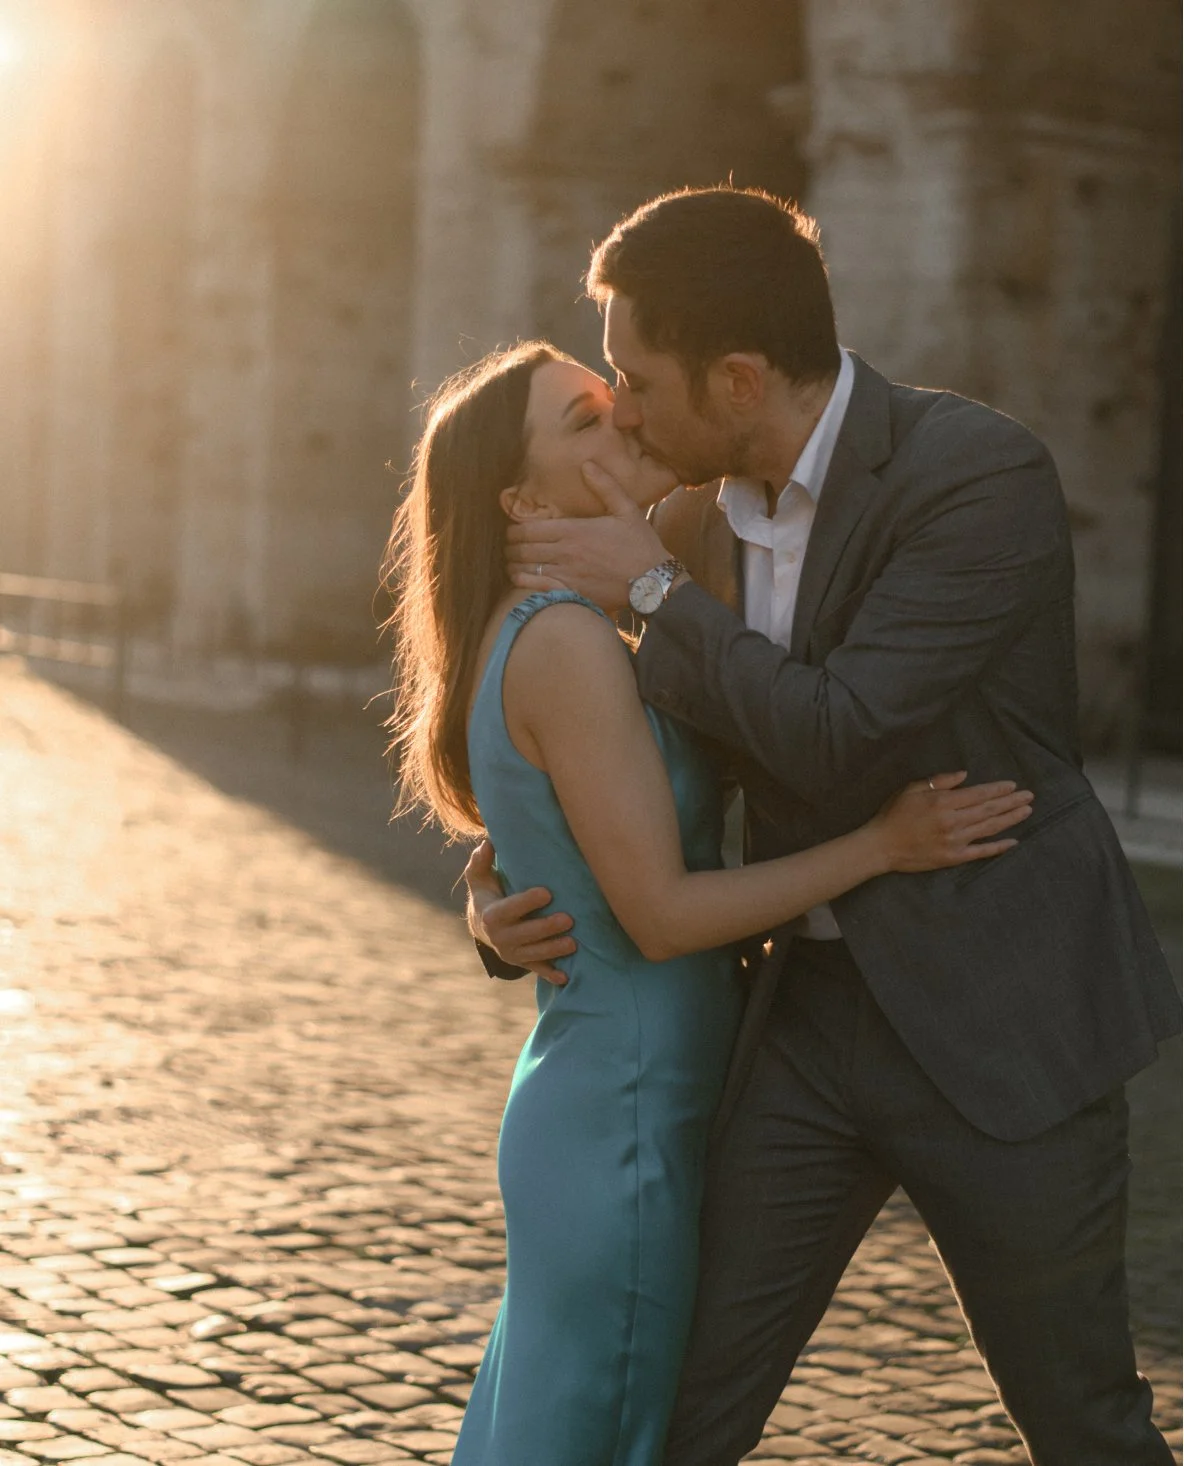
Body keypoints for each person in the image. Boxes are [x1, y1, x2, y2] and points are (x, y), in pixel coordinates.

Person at [466, 187, 1182, 1466]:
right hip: (799, 1025)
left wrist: (642, 587)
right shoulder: (686, 524)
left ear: (737, 378)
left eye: (635, 379)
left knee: (1078, 1418)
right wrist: (496, 888)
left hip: (999, 1018)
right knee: (682, 1413)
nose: (621, 408)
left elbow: (840, 732)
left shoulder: (977, 475)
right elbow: (613, 763)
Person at [383, 339, 1034, 1466]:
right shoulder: (568, 641)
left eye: (615, 403)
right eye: (584, 422)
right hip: (622, 1114)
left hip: (618, 1094)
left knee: (577, 1422)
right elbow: (664, 914)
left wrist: (492, 895)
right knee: (598, 1426)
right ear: (521, 497)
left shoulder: (568, 621)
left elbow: (567, 836)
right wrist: (881, 843)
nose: (625, 425)